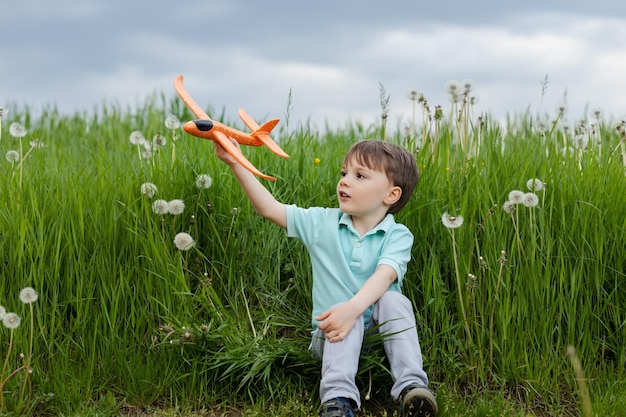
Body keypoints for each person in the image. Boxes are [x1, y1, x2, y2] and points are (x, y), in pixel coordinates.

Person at [213, 138, 437, 417]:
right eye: (344, 173)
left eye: (359, 176)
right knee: (342, 313)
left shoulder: (397, 235)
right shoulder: (322, 223)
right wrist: (236, 163)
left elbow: (385, 275)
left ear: (391, 195)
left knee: (394, 300)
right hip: (331, 337)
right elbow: (269, 208)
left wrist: (352, 310)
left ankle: (411, 388)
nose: (345, 182)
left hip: (379, 342)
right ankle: (338, 399)